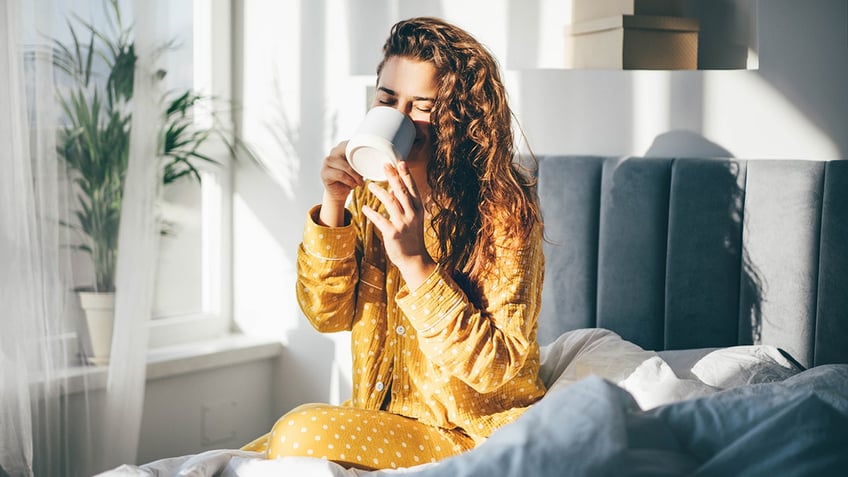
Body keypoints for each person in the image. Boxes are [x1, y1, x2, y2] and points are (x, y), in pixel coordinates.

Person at [242, 16, 546, 470]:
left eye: (422, 106)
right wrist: (334, 202)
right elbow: (326, 315)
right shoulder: (369, 193)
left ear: (458, 114)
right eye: (387, 99)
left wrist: (415, 263)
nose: (401, 118)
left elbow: (496, 367)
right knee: (254, 454)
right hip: (381, 420)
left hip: (470, 435)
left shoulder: (503, 214)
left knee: (297, 431)